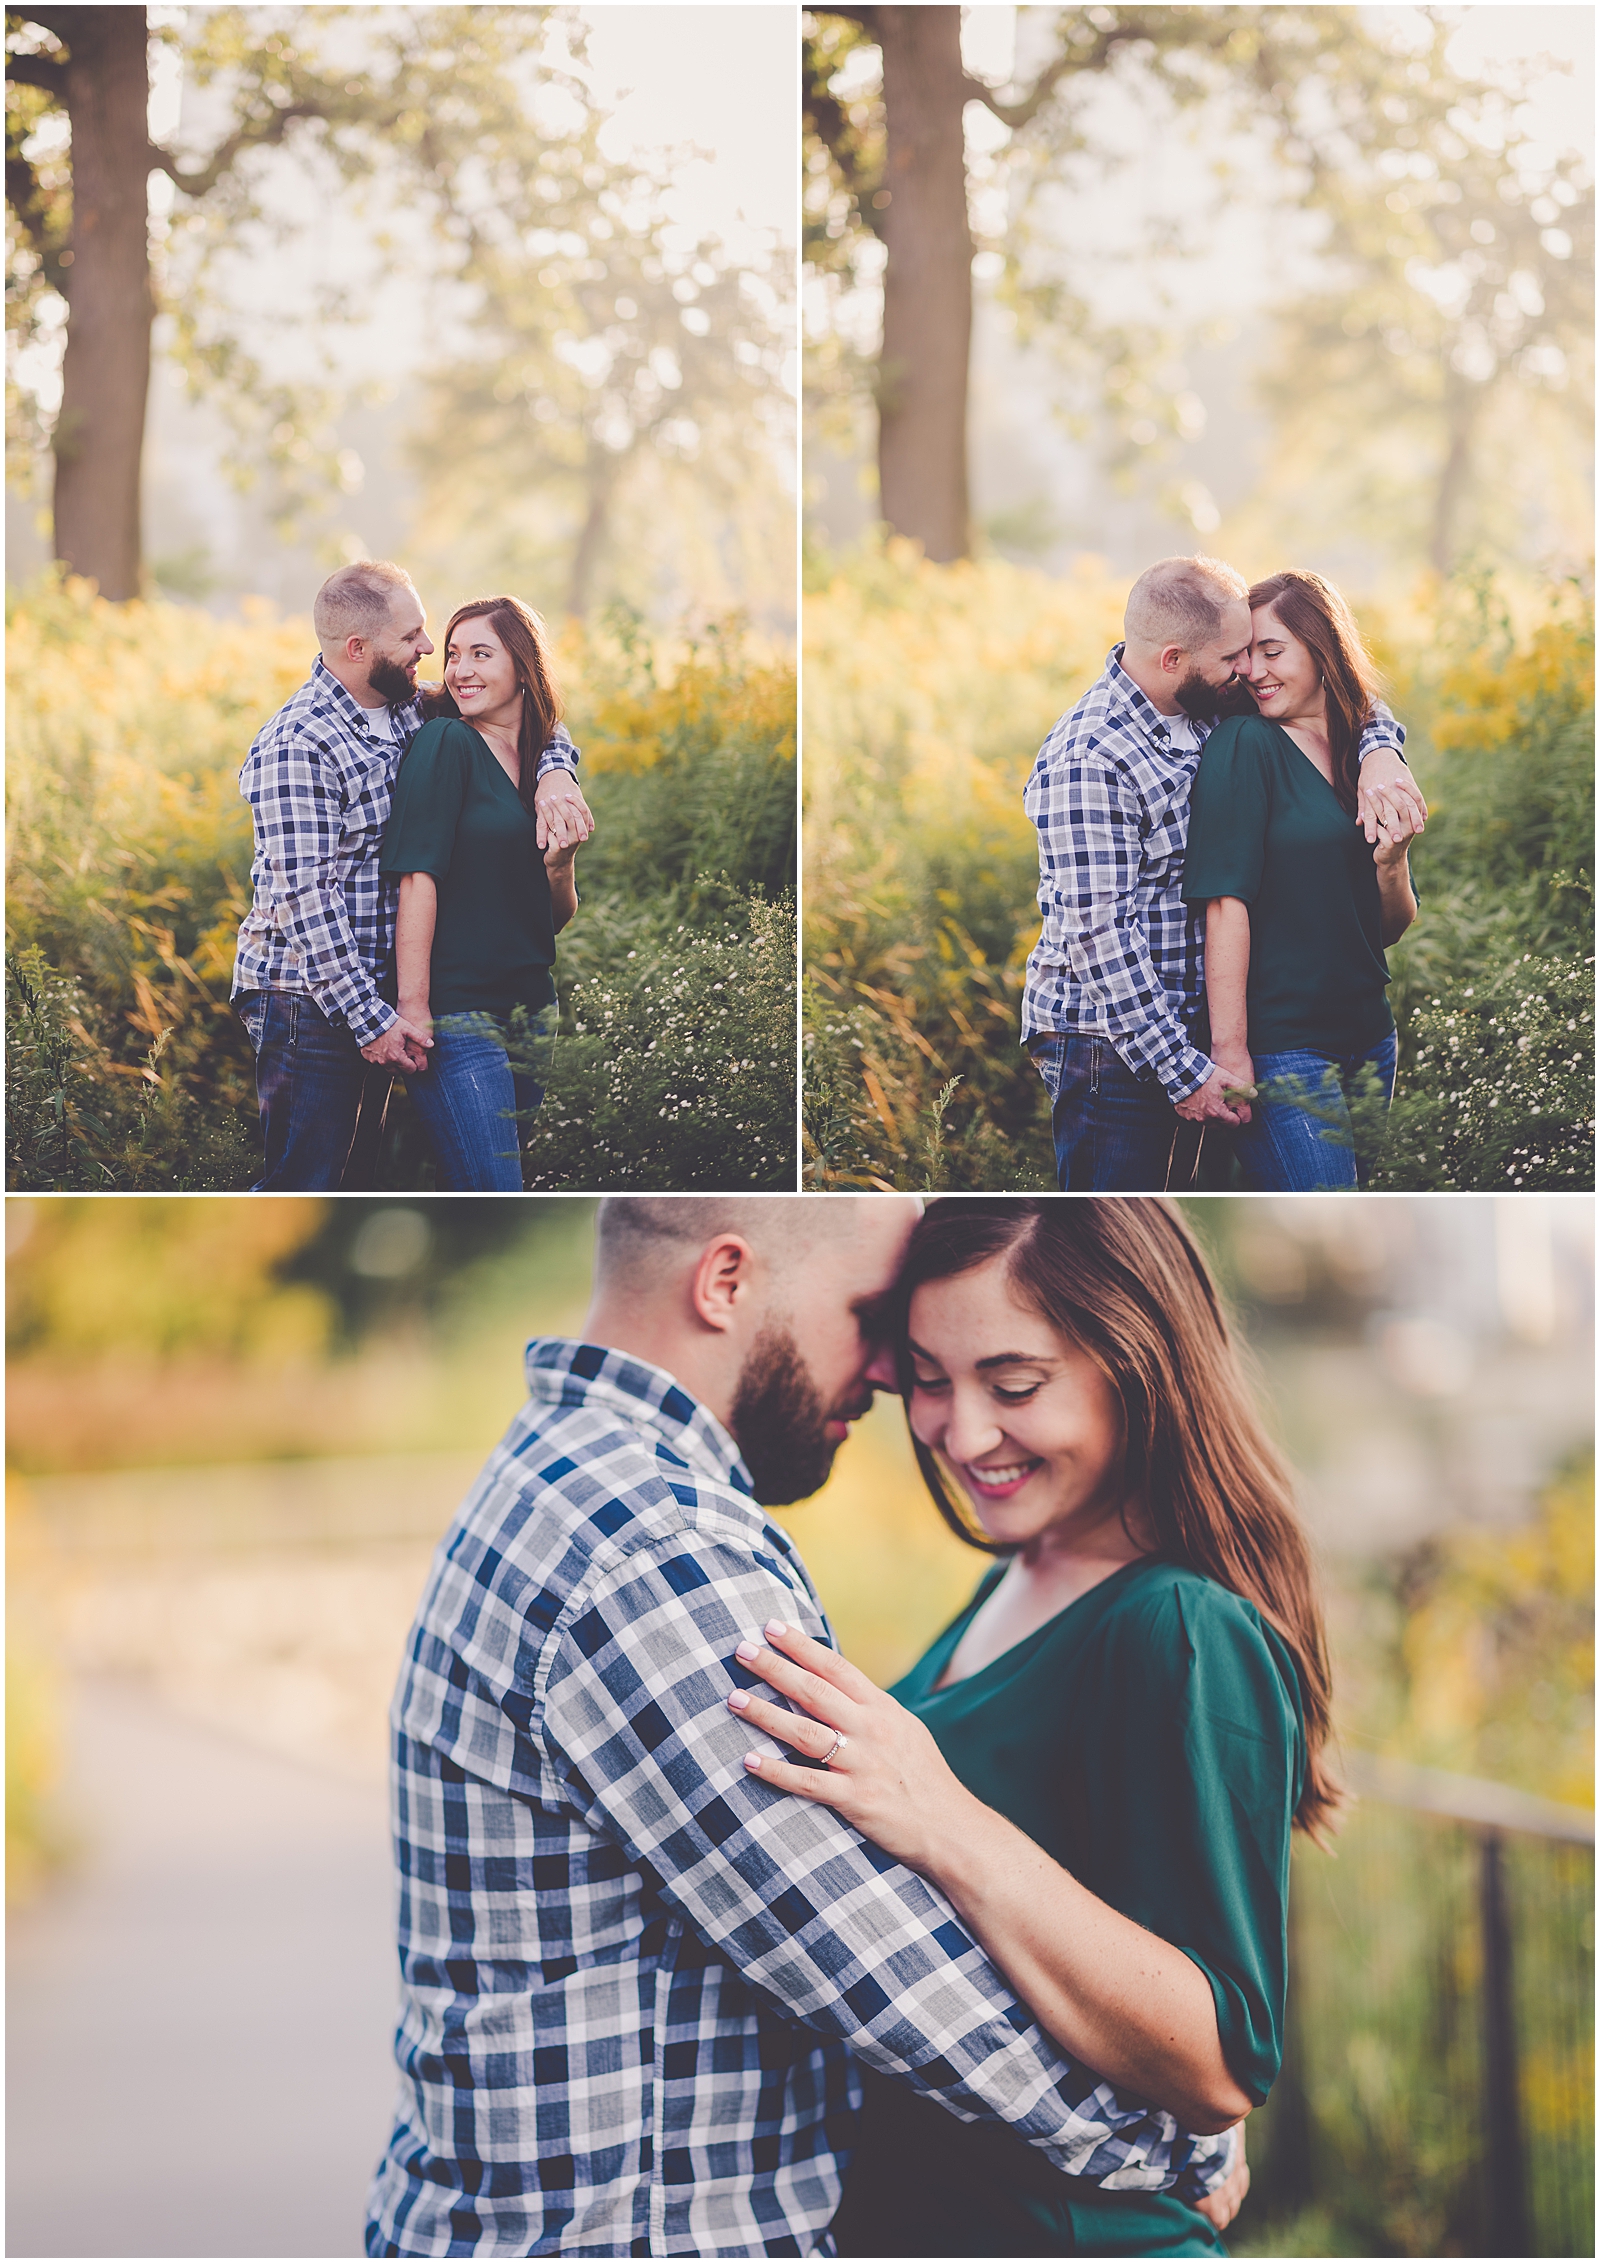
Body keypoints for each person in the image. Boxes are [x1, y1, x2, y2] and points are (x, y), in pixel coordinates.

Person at [365, 1197, 1245, 2259]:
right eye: (868, 1316)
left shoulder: (556, 1475)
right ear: (725, 1282)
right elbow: (881, 1966)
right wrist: (1178, 2140)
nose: (888, 1374)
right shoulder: (656, 1546)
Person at [728, 1196, 1327, 2257]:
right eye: (926, 1378)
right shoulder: (1022, 1571)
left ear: (1137, 1362)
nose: (960, 1432)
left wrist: (945, 1819)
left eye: (1013, 1385)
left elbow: (1219, 2063)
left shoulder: (1179, 1627)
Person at [1022, 554, 1426, 1191]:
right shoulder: (1089, 756)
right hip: (1110, 1040)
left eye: (1256, 652)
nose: (1247, 672)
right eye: (1236, 657)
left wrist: (1381, 753)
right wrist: (1189, 1069)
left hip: (1193, 1028)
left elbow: (1339, 694)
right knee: (1122, 1221)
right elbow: (1097, 936)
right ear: (1175, 659)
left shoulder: (1204, 700)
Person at [232, 560, 593, 1192]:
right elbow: (304, 902)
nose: (429, 651)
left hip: (376, 985)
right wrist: (379, 1018)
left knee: (356, 1180)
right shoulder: (299, 743)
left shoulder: (405, 705)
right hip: (307, 995)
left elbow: (523, 714)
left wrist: (556, 769)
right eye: (414, 638)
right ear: (357, 648)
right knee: (307, 1184)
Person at [1182, 570, 1420, 1190]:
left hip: (1371, 1039)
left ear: (1323, 649)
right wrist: (1230, 1049)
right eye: (1246, 655)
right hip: (1284, 1049)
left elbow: (1387, 929)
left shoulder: (1360, 754)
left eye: (1273, 651)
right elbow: (1223, 903)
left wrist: (1391, 865)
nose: (1254, 671)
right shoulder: (1245, 743)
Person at [380, 596, 580, 1191]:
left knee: (505, 1182)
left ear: (522, 666)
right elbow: (418, 877)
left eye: (481, 654)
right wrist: (413, 1006)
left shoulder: (543, 763)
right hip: (458, 1013)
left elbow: (552, 919)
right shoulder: (446, 743)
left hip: (533, 1010)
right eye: (454, 654)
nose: (461, 669)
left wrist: (562, 863)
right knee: (496, 1190)